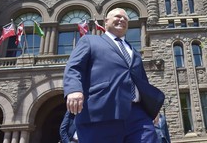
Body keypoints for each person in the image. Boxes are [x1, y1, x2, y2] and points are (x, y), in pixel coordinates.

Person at [63, 8, 164, 143]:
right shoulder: (90, 41)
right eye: (117, 16)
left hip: (137, 114)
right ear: (106, 22)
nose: (122, 19)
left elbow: (142, 82)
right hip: (102, 109)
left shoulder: (134, 51)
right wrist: (74, 89)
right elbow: (74, 66)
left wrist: (151, 108)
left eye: (125, 18)